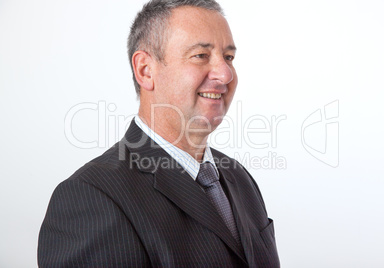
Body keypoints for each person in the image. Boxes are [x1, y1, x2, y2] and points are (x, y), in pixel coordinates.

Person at [38, 0, 280, 267]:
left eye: (229, 57)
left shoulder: (239, 178)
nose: (225, 74)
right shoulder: (92, 198)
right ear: (145, 70)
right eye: (201, 55)